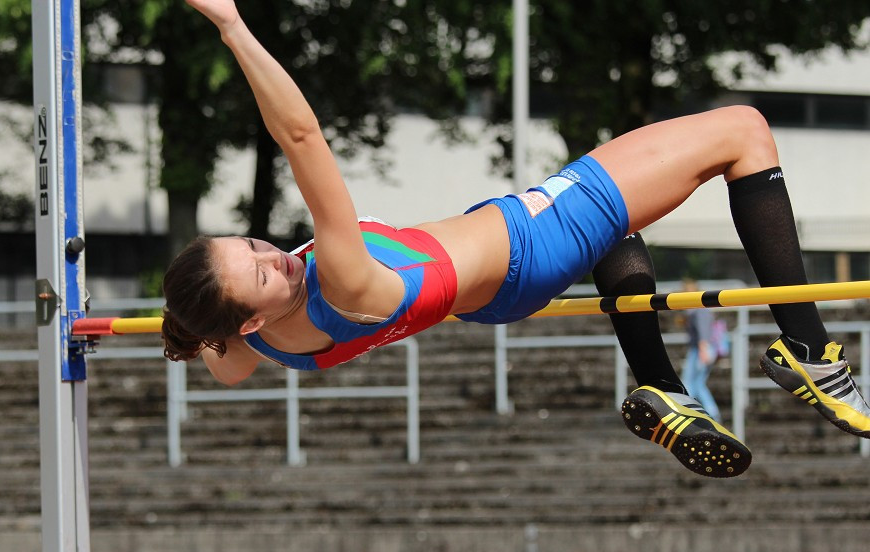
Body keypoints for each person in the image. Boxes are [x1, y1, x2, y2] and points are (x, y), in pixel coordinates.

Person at [160, 0, 870, 478]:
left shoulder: (257, 343)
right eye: (261, 275)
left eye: (250, 245)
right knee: (743, 131)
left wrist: (191, 321)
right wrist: (231, 24)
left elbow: (223, 357)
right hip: (532, 238)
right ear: (251, 316)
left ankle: (662, 388)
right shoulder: (341, 282)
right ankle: (812, 352)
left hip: (494, 285)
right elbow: (300, 134)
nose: (275, 257)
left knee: (618, 232)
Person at [679, 279, 725, 422]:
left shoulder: (699, 311)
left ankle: (689, 412)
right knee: (698, 383)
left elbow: (704, 332)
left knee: (689, 382)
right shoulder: (697, 311)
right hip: (702, 349)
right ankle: (710, 413)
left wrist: (703, 349)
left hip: (700, 350)